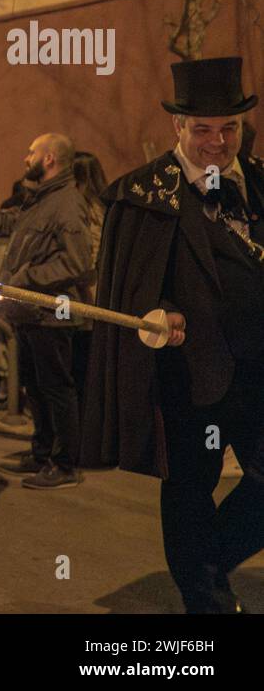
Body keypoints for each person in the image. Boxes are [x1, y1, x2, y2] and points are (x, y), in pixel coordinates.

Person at [83, 56, 264, 614]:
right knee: (189, 491)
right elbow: (127, 285)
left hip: (257, 373)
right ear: (178, 128)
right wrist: (159, 310)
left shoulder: (258, 183)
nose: (217, 141)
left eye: (228, 127)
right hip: (188, 380)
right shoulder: (140, 195)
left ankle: (205, 562)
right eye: (203, 129)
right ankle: (205, 604)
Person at [0, 134, 94, 489]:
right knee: (35, 387)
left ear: (50, 158)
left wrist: (24, 280)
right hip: (30, 313)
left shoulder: (67, 203)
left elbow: (78, 262)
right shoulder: (40, 199)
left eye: (31, 152)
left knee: (57, 389)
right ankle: (42, 453)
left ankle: (65, 463)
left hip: (51, 314)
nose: (26, 158)